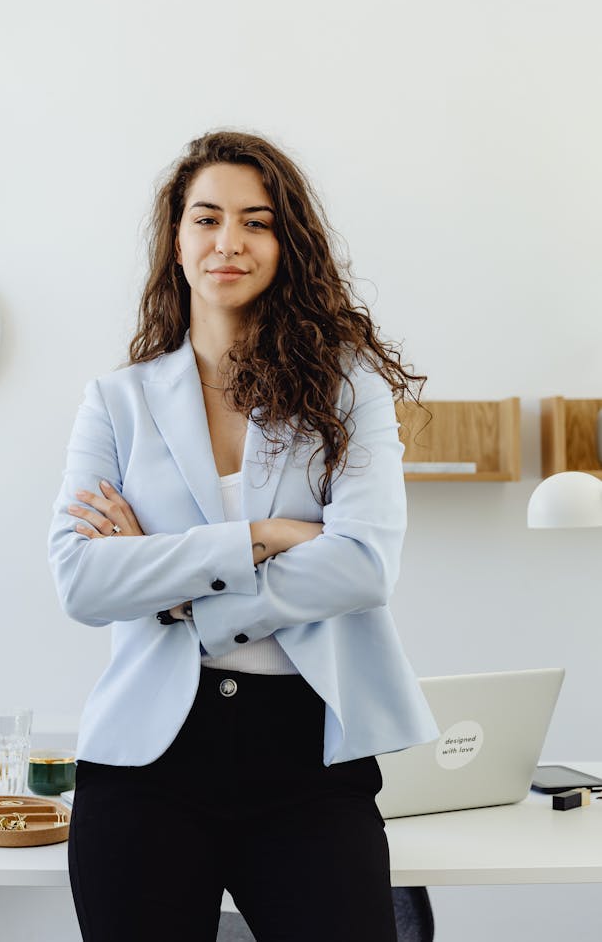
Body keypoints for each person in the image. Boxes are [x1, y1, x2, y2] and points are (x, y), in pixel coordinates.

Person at [48, 129, 438, 942]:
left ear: (285, 245)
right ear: (177, 240)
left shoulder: (348, 389)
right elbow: (83, 583)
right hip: (145, 762)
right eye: (207, 218)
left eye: (256, 222)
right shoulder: (115, 402)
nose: (229, 241)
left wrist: (173, 587)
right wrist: (263, 534)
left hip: (309, 757)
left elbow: (363, 567)